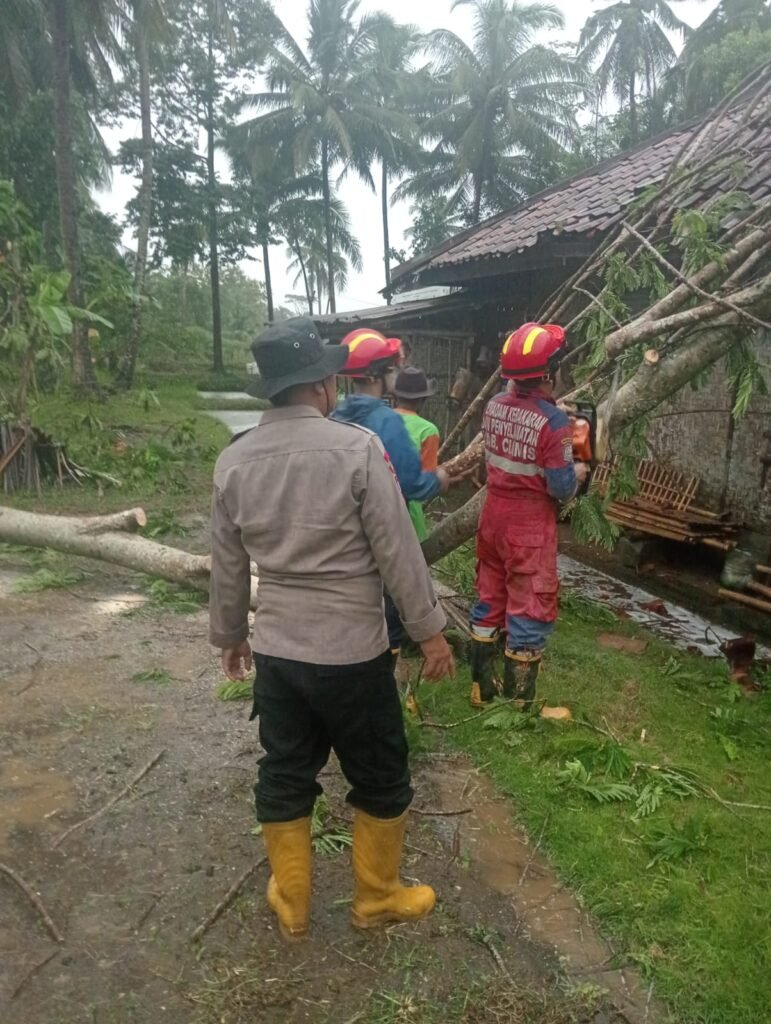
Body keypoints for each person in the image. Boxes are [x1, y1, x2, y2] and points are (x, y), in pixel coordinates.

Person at [208, 317, 456, 941]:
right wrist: (430, 632)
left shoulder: (233, 461)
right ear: (321, 385)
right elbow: (398, 553)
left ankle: (292, 900)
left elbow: (228, 565)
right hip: (353, 654)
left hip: (279, 654)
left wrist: (231, 634)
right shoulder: (357, 450)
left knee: (286, 770)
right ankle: (376, 897)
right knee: (379, 772)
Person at [468, 322, 589, 715]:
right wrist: (578, 472)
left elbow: (519, 418)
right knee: (530, 605)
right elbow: (561, 488)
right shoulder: (554, 424)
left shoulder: (493, 405)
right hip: (529, 526)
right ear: (549, 373)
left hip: (492, 518)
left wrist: (555, 414)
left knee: (490, 597)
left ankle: (481, 689)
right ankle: (518, 705)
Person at [332, 328, 463, 660]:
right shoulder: (388, 422)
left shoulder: (335, 416)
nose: (395, 373)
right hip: (383, 530)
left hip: (343, 532)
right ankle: (384, 666)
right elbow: (410, 484)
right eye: (391, 368)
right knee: (389, 608)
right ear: (377, 375)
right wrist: (439, 480)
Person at [393, 366, 441, 543]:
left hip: (378, 507)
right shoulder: (428, 431)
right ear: (422, 400)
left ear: (395, 396)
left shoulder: (379, 421)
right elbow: (426, 483)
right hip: (410, 512)